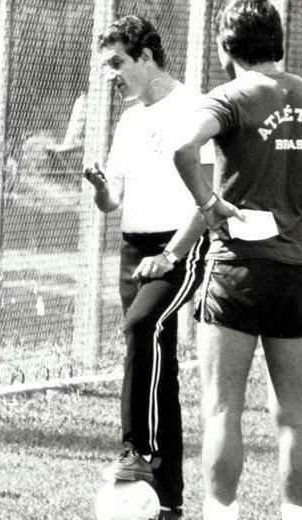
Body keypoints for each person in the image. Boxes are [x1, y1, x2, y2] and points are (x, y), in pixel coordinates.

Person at [168, 2, 302, 519]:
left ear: (223, 47)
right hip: (299, 272)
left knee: (222, 409)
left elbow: (183, 149)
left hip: (236, 269)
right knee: (296, 415)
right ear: (279, 42)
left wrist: (210, 205)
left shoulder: (229, 96)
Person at [84, 15, 210, 520]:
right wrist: (98, 186)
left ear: (146, 57)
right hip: (133, 250)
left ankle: (137, 452)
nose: (111, 74)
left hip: (179, 247)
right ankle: (170, 500)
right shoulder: (129, 119)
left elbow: (210, 199)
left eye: (117, 63)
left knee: (142, 329)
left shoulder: (193, 108)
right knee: (157, 363)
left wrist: (173, 254)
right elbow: (112, 200)